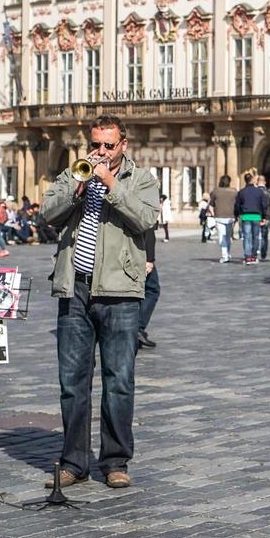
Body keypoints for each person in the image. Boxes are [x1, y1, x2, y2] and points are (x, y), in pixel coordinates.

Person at [42, 115, 160, 490]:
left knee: (119, 381)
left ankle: (115, 460)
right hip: (74, 289)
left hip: (120, 292)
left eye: (109, 145)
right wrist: (77, 188)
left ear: (124, 144)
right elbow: (47, 215)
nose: (101, 152)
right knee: (72, 383)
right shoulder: (72, 175)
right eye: (96, 145)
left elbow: (145, 219)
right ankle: (74, 461)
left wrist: (110, 184)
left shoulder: (141, 179)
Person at [235, 172, 267, 266]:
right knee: (255, 237)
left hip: (245, 216)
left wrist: (237, 214)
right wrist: (264, 217)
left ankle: (248, 256)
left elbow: (237, 205)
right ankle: (254, 256)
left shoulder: (241, 192)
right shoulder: (259, 191)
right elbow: (263, 205)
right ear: (252, 180)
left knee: (247, 237)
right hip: (256, 216)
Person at [137, 224, 160, 350]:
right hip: (141, 253)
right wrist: (149, 259)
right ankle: (137, 329)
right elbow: (148, 228)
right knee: (152, 290)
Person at [209, 175, 237, 264]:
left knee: (222, 237)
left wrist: (213, 215)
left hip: (219, 217)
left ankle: (225, 256)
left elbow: (211, 205)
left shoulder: (215, 191)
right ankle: (227, 254)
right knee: (228, 237)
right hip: (231, 217)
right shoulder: (234, 192)